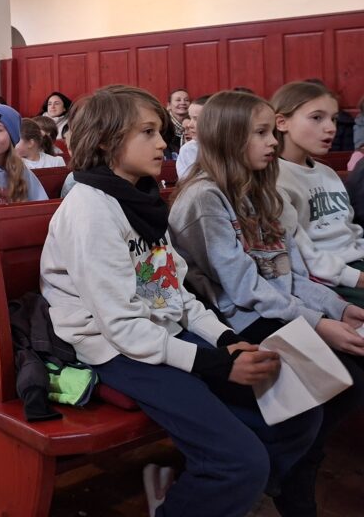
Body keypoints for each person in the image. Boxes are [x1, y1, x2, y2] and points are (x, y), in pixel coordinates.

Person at [41, 85, 321, 517]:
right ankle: (211, 491)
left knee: (299, 410)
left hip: (160, 330)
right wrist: (216, 364)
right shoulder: (90, 210)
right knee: (238, 462)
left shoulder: (140, 197)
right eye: (148, 132)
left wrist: (225, 339)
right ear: (105, 141)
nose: (162, 143)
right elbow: (122, 327)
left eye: (160, 131)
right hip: (113, 349)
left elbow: (174, 290)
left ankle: (217, 494)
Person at [169, 89, 364, 515]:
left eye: (270, 132)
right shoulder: (204, 198)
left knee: (349, 378)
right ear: (228, 136)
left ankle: (282, 474)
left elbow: (289, 274)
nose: (273, 141)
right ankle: (267, 477)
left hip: (270, 308)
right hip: (232, 321)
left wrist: (338, 308)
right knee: (331, 385)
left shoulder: (258, 189)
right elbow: (244, 291)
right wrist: (318, 323)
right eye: (260, 133)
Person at [272, 81, 364, 305]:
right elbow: (300, 252)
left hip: (356, 264)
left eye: (333, 119)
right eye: (317, 117)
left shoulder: (327, 172)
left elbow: (349, 228)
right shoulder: (274, 178)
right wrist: (356, 277)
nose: (331, 128)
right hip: (327, 279)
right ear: (282, 122)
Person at [175, 94, 210, 180]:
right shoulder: (189, 150)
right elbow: (192, 183)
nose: (189, 125)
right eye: (190, 118)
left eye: (196, 119)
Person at [165, 88, 191, 156]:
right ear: (169, 105)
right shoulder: (164, 125)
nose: (183, 103)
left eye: (186, 100)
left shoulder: (195, 126)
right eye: (178, 100)